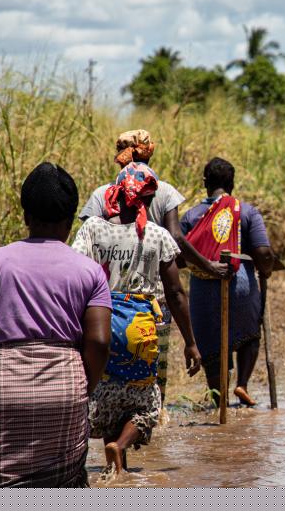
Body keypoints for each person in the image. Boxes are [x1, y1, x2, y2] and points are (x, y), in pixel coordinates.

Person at [0, 162, 112, 488]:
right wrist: (85, 388)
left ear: (26, 215)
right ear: (71, 220)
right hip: (65, 386)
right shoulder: (90, 271)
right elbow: (99, 343)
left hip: (2, 388)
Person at [78, 129, 231, 403]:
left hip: (104, 303)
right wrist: (207, 265)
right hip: (152, 302)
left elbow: (85, 248)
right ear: (149, 151)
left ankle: (113, 428)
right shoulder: (162, 190)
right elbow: (175, 238)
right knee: (152, 375)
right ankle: (150, 423)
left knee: (106, 376)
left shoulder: (101, 195)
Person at [72, 161, 202, 474]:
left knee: (103, 390)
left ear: (114, 194)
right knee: (146, 401)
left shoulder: (94, 229)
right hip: (142, 327)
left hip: (100, 321)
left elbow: (73, 273)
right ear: (147, 199)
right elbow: (175, 293)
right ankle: (120, 446)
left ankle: (107, 461)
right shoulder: (157, 236)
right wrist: (191, 343)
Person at [180, 157, 274, 407]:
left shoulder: (191, 216)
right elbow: (263, 253)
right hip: (241, 288)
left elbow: (178, 256)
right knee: (249, 335)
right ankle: (242, 384)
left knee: (211, 343)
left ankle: (218, 396)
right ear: (232, 183)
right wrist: (266, 269)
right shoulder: (246, 212)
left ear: (205, 182)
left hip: (204, 294)